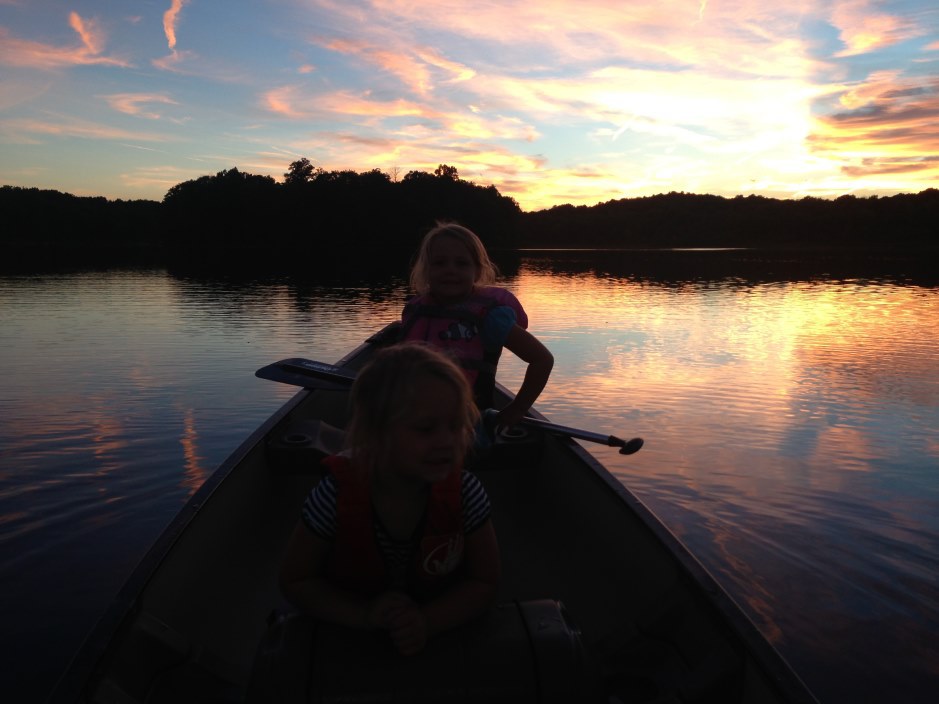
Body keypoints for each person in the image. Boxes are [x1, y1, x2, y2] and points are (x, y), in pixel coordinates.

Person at [279, 343, 500, 656]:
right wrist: (363, 615)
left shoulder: (466, 492)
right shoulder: (333, 496)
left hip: (441, 635)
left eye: (455, 426)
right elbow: (296, 580)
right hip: (349, 639)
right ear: (375, 433)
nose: (447, 441)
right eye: (425, 429)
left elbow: (484, 581)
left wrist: (427, 621)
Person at [400, 222, 554, 427]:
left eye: (461, 263)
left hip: (469, 427)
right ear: (426, 270)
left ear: (478, 271)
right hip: (416, 418)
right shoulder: (416, 310)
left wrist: (517, 409)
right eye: (439, 263)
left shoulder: (490, 317)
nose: (450, 270)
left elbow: (542, 360)